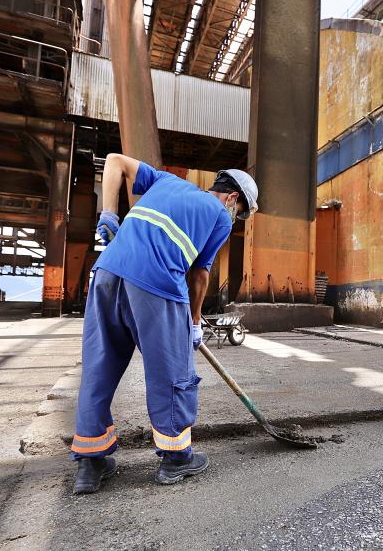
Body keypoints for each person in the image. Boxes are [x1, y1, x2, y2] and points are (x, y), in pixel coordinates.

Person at [71, 153, 258, 494]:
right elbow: (200, 274)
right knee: (172, 373)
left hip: (107, 274)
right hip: (156, 284)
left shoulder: (167, 181)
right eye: (241, 211)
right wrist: (195, 321)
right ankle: (176, 459)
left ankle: (90, 462)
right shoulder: (220, 216)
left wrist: (109, 213)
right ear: (232, 198)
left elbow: (114, 161)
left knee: (98, 368)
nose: (237, 217)